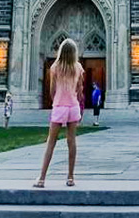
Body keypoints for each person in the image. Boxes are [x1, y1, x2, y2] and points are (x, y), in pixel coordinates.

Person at [34, 38, 84, 188]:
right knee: (72, 142)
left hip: (59, 106)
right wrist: (75, 99)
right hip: (73, 106)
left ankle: (42, 178)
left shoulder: (55, 67)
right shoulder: (78, 67)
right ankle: (70, 177)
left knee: (51, 142)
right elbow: (80, 89)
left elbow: (52, 89)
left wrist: (55, 100)